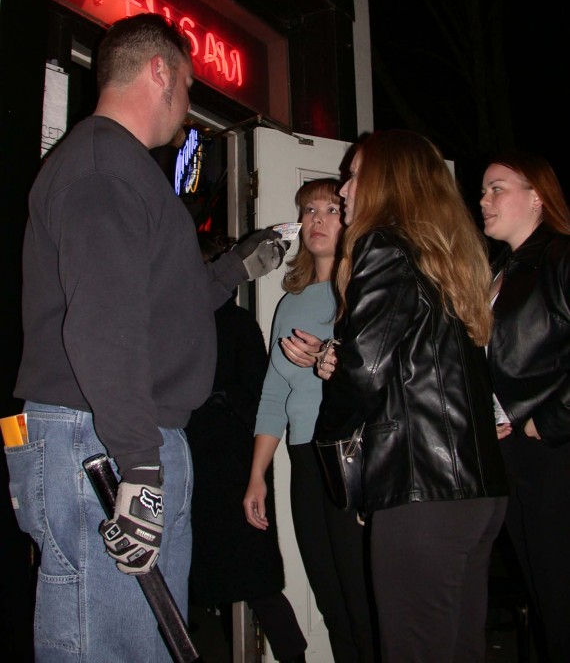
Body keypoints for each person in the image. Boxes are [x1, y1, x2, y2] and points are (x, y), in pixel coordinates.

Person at [6, 13, 287, 663]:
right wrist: (139, 467)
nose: (188, 108)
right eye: (188, 86)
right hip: (101, 442)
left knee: (139, 644)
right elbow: (103, 325)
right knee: (112, 648)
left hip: (116, 438)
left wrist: (236, 266)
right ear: (160, 71)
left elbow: (156, 303)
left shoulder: (121, 171)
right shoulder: (106, 168)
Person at [315, 130, 508, 663]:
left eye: (354, 175)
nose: (342, 189)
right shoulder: (448, 259)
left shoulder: (385, 246)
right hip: (474, 491)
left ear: (386, 181)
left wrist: (331, 449)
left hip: (421, 489)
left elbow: (365, 371)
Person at [243, 178, 377, 663]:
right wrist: (257, 474)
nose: (318, 219)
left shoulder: (362, 292)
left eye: (331, 209)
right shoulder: (290, 302)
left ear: (350, 218)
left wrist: (331, 355)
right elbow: (274, 393)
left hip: (352, 455)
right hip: (304, 460)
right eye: (308, 210)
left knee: (363, 597)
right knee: (328, 595)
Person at [186, 233, 307, 663]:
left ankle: (294, 654)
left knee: (253, 579)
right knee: (207, 573)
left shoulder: (235, 324)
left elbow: (258, 396)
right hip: (203, 461)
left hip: (233, 463)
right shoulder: (183, 322)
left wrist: (212, 400)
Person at [480, 151, 570, 662]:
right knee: (544, 600)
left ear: (537, 197)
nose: (483, 199)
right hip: (518, 459)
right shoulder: (502, 273)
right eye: (483, 190)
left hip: (554, 455)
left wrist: (546, 421)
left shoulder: (560, 257)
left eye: (497, 188)